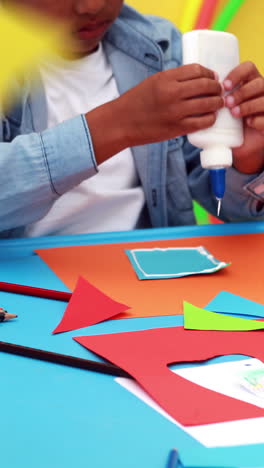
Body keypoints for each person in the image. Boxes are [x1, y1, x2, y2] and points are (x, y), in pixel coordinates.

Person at [1, 0, 264, 238]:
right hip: (27, 281)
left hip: (149, 274)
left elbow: (235, 211)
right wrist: (116, 125)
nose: (92, 7)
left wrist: (248, 162)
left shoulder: (163, 47)